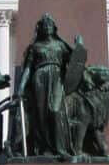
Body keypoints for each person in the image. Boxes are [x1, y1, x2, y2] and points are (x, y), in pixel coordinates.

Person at [17, 13, 73, 157]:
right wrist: (22, 86)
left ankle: (61, 148)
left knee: (55, 111)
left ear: (54, 28)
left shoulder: (60, 45)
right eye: (44, 25)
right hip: (39, 77)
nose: (47, 27)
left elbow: (73, 62)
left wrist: (78, 47)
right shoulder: (35, 47)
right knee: (41, 114)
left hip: (57, 76)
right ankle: (44, 148)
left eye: (50, 25)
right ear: (40, 28)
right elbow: (28, 68)